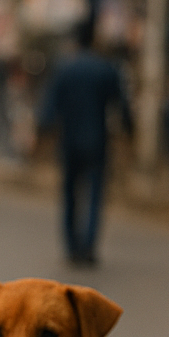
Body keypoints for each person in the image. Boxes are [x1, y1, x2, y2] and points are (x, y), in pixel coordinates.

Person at [38, 19, 133, 265]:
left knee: (70, 194)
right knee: (94, 194)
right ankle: (88, 246)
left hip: (69, 142)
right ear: (94, 39)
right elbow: (122, 107)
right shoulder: (106, 68)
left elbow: (48, 111)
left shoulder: (64, 69)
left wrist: (42, 140)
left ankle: (72, 247)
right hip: (97, 141)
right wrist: (129, 135)